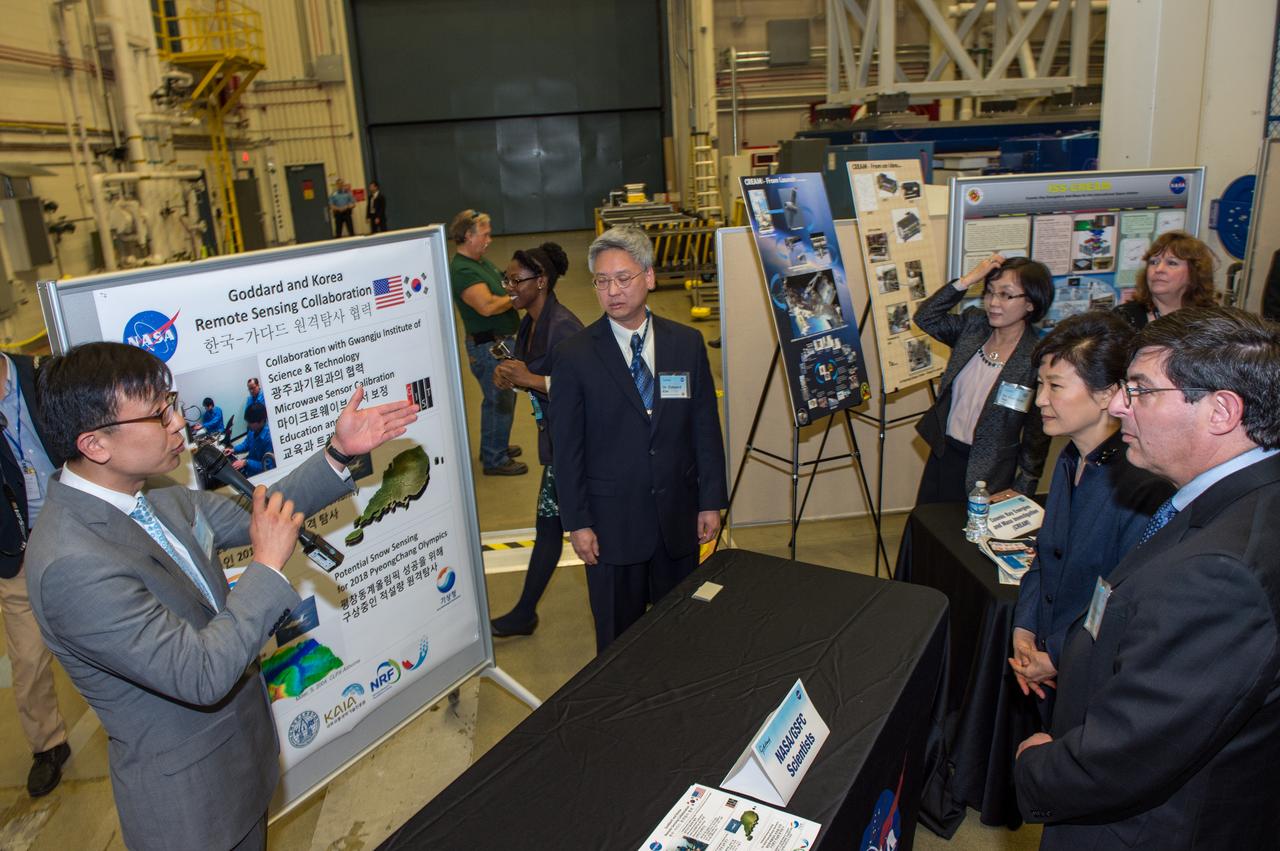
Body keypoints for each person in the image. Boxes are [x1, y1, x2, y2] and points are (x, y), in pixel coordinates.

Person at [26, 341, 417, 851]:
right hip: (190, 811)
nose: (177, 422)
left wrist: (338, 453)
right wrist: (267, 567)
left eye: (170, 402)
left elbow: (263, 513)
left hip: (240, 766)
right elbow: (200, 674)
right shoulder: (71, 564)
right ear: (96, 444)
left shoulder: (154, 498)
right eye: (158, 413)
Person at [1014, 307, 1280, 849]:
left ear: (1221, 410)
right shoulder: (1227, 500)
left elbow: (1136, 750)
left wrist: (1037, 765)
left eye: (1139, 390)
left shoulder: (1220, 572)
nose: (1117, 405)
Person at [550, 226, 727, 653]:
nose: (613, 291)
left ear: (648, 277)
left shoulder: (686, 344)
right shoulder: (574, 356)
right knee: (617, 642)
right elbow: (567, 448)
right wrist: (577, 523)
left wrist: (710, 500)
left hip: (676, 520)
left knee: (680, 635)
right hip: (612, 528)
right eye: (602, 280)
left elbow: (704, 425)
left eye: (623, 278)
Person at [1008, 311, 1173, 723]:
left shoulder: (1140, 484)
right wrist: (1025, 628)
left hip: (1095, 683)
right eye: (1041, 385)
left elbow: (1122, 597)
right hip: (1049, 660)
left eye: (1055, 386)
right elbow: (1047, 556)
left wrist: (1060, 654)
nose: (1041, 399)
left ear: (1107, 394)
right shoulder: (1069, 457)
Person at [487, 242, 584, 637]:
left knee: (562, 526)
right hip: (560, 442)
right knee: (549, 526)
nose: (508, 286)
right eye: (505, 278)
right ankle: (525, 612)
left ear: (540, 281)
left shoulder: (564, 327)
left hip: (582, 446)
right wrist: (510, 375)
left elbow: (587, 389)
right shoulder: (529, 321)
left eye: (515, 279)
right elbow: (530, 371)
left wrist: (529, 379)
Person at [912, 253, 1054, 503]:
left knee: (966, 539)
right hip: (943, 454)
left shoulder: (1036, 356)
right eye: (989, 292)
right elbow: (925, 317)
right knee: (927, 529)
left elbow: (1036, 435)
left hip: (990, 472)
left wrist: (1024, 487)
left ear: (1031, 303)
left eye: (1006, 294)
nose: (993, 303)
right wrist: (969, 279)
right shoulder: (973, 325)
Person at [0, 353, 71, 797]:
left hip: (77, 531)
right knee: (27, 659)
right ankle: (48, 746)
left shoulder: (43, 374)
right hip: (18, 552)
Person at [448, 209, 525, 476]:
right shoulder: (463, 270)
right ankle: (495, 458)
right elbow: (487, 306)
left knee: (502, 398)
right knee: (499, 399)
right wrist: (519, 298)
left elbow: (502, 286)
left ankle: (495, 445)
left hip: (498, 343)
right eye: (485, 234)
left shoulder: (481, 263)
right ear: (468, 236)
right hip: (488, 347)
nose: (489, 239)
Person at [1113, 230, 1217, 330]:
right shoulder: (1124, 319)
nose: (1158, 269)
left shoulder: (1213, 320)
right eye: (1153, 262)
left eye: (1171, 263)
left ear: (1194, 273)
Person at [233, 402, 275, 476]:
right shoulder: (252, 430)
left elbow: (268, 467)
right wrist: (234, 449)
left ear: (261, 421)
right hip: (249, 468)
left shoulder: (270, 439)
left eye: (251, 422)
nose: (248, 425)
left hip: (259, 475)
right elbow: (246, 444)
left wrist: (246, 462)